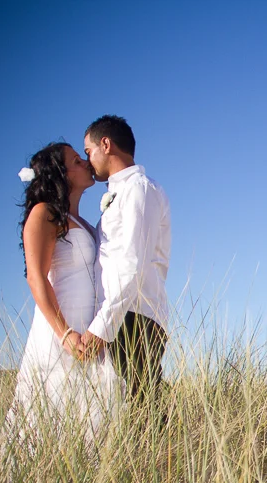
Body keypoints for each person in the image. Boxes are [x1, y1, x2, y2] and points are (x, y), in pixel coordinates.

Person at [5, 142, 121, 449]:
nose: (85, 163)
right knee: (48, 418)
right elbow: (36, 277)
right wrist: (65, 333)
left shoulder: (85, 224)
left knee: (92, 422)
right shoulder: (44, 213)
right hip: (60, 333)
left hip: (91, 334)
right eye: (76, 160)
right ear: (60, 173)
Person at [78, 115, 171, 413]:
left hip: (133, 316)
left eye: (88, 151)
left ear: (106, 144)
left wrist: (102, 327)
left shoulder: (139, 189)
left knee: (143, 412)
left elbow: (133, 264)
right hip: (121, 314)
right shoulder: (122, 191)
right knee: (128, 411)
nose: (87, 160)